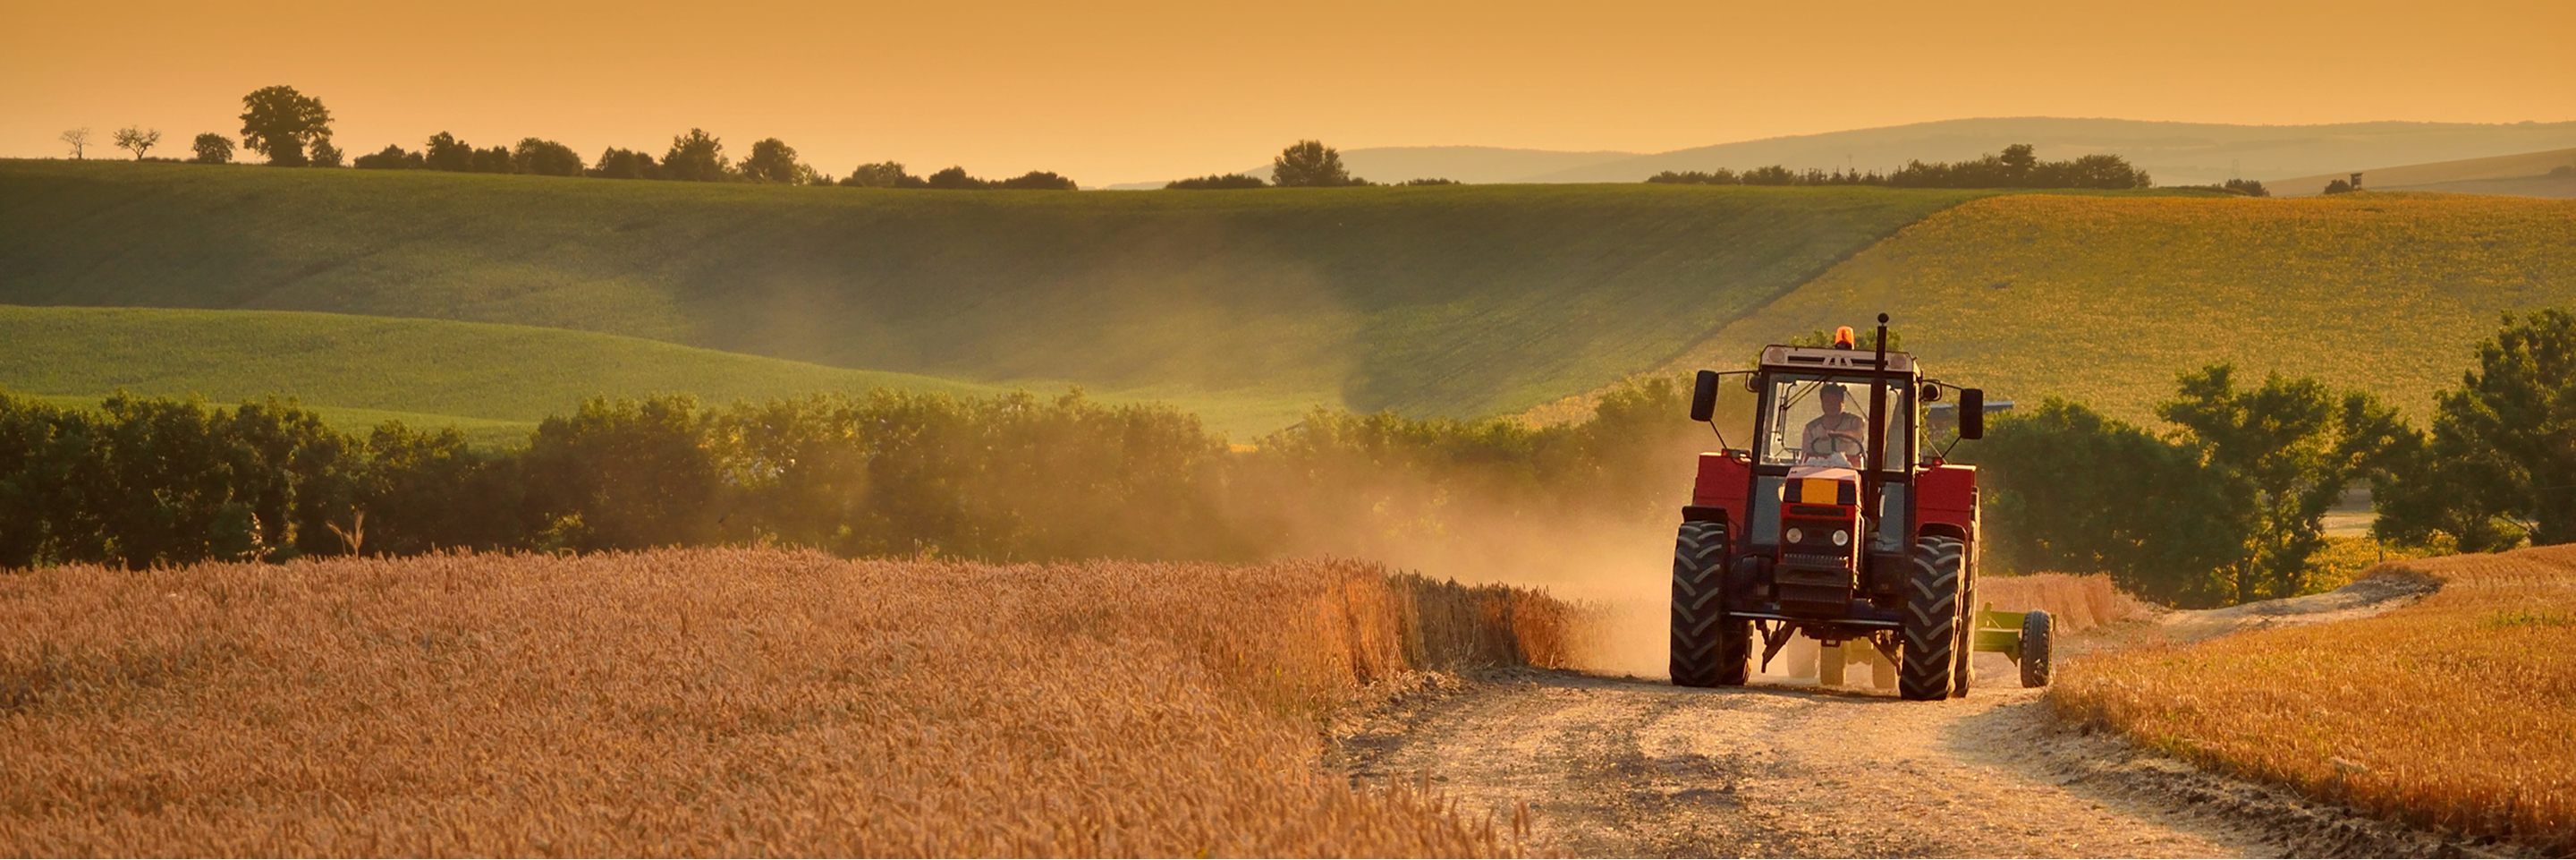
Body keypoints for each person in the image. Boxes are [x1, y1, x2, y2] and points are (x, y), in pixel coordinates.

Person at [1801, 384, 1868, 464]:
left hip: (1851, 469)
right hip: (1819, 470)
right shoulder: (1811, 429)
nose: (1831, 405)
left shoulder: (1855, 422)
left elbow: (1857, 435)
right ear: (1822, 402)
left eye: (1836, 401)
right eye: (1827, 401)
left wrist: (1835, 434)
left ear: (1842, 403)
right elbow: (1805, 457)